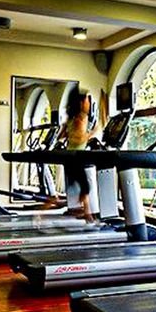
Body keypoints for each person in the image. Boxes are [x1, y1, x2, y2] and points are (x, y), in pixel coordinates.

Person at [60, 88, 98, 222]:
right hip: (76, 157)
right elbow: (79, 139)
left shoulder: (72, 119)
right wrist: (92, 132)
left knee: (82, 187)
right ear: (81, 103)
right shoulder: (81, 118)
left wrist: (69, 132)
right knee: (85, 187)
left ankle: (88, 214)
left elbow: (62, 136)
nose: (89, 104)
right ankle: (42, 211)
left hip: (70, 156)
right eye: (87, 101)